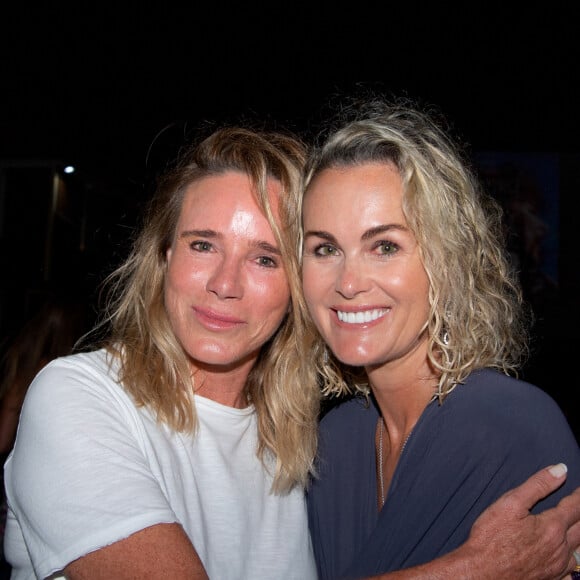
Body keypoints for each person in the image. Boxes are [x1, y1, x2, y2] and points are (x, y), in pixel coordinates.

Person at [3, 123, 580, 580]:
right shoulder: (80, 397)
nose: (225, 284)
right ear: (162, 259)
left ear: (292, 290)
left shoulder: (299, 447)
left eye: (265, 257)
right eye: (203, 244)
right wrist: (472, 572)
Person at [300, 98, 580, 579]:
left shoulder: (512, 427)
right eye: (325, 248)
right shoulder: (331, 445)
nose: (347, 282)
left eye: (384, 246)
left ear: (444, 262)